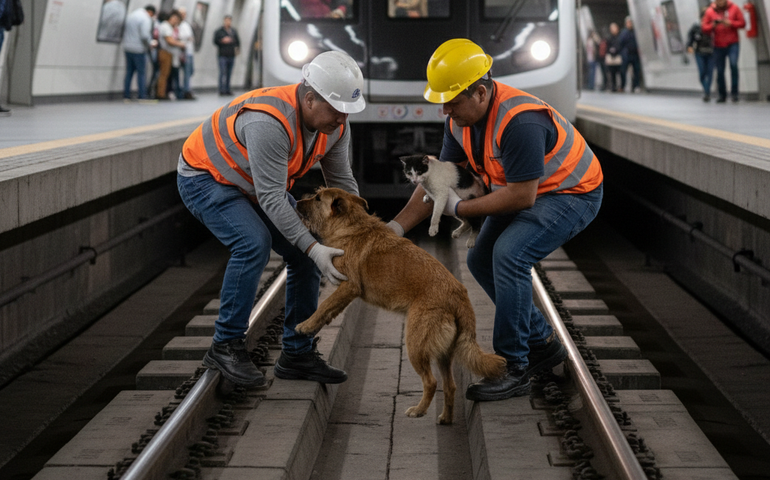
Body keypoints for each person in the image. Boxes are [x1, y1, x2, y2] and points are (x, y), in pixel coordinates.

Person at [386, 39, 603, 401]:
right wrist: (394, 230)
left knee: (509, 256)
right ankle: (541, 342)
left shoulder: (521, 121)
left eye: (453, 102)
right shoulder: (459, 123)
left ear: (482, 93)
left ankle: (514, 366)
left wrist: (460, 210)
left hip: (571, 193)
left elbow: (522, 197)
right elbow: (436, 182)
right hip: (525, 190)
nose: (446, 111)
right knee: (479, 258)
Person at [177, 51, 366, 387]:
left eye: (348, 111)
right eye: (337, 110)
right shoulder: (269, 122)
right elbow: (272, 198)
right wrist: (313, 247)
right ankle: (225, 346)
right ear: (309, 99)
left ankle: (297, 353)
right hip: (206, 178)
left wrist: (360, 236)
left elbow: (343, 186)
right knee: (253, 243)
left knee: (305, 253)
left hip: (252, 183)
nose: (342, 119)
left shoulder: (335, 126)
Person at [702, 0, 745, 103]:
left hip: (733, 43)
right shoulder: (710, 11)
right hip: (718, 45)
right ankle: (722, 95)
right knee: (720, 71)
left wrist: (731, 23)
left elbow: (742, 23)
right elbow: (704, 27)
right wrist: (713, 25)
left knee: (733, 65)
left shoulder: (734, 8)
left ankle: (735, 94)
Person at [122, 4, 156, 100]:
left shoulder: (131, 15)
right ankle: (142, 95)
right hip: (139, 49)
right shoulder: (145, 18)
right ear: (150, 12)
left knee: (129, 72)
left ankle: (126, 95)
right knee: (141, 73)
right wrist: (151, 43)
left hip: (127, 47)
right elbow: (145, 35)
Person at [687, 7, 715, 102]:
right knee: (702, 72)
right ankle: (707, 91)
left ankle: (707, 92)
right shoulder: (696, 27)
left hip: (711, 52)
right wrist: (689, 46)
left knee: (710, 73)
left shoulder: (713, 26)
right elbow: (690, 38)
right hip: (699, 52)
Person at [157, 10, 185, 100]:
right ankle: (160, 94)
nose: (176, 22)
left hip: (170, 54)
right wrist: (181, 44)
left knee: (167, 74)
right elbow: (169, 40)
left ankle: (164, 92)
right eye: (175, 19)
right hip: (165, 53)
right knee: (164, 74)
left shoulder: (171, 27)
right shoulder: (165, 26)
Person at [213, 15, 240, 96]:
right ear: (224, 21)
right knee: (222, 72)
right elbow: (215, 41)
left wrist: (237, 49)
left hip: (231, 54)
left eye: (229, 21)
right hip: (222, 55)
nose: (228, 22)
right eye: (227, 20)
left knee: (229, 73)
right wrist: (222, 41)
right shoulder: (219, 31)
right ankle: (222, 89)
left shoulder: (233, 31)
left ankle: (227, 89)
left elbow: (238, 41)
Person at [618, 16, 642, 93]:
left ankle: (636, 86)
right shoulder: (624, 32)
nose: (630, 24)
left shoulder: (635, 32)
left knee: (636, 71)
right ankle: (623, 86)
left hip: (634, 54)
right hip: (626, 54)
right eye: (628, 22)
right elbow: (620, 43)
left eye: (631, 22)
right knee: (623, 71)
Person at [177, 7, 196, 100]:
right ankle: (186, 91)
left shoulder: (186, 24)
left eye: (184, 14)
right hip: (183, 52)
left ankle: (186, 89)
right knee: (186, 72)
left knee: (190, 71)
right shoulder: (177, 25)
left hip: (189, 51)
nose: (183, 15)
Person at [604, 23, 623, 92]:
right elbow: (607, 47)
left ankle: (621, 86)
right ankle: (613, 86)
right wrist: (610, 51)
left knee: (621, 72)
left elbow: (621, 45)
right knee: (612, 73)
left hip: (618, 56)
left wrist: (616, 50)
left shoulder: (620, 37)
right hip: (611, 57)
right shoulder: (609, 37)